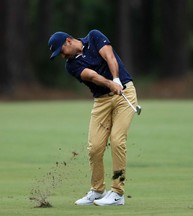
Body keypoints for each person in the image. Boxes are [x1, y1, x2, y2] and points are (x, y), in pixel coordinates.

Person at [48, 30, 138, 206]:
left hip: (125, 93)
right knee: (94, 147)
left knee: (117, 141)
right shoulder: (70, 66)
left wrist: (117, 79)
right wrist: (110, 84)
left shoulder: (94, 37)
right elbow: (92, 76)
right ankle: (98, 191)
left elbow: (110, 57)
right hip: (101, 101)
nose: (62, 56)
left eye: (61, 51)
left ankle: (118, 193)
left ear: (68, 41)